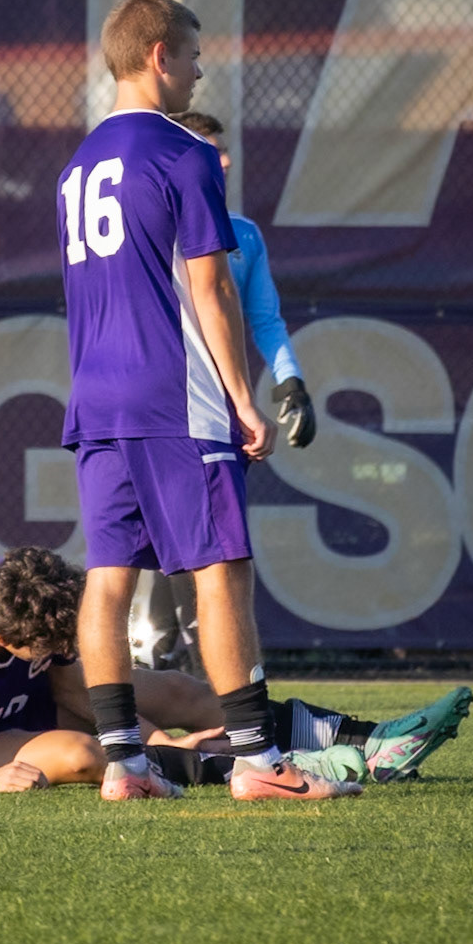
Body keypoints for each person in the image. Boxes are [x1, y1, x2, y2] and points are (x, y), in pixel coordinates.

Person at [55, 0, 361, 802]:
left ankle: (124, 765)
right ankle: (260, 762)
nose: (198, 71)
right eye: (192, 55)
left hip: (96, 398)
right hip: (173, 395)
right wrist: (242, 399)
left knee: (108, 579)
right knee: (223, 571)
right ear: (159, 56)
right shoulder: (182, 154)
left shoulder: (76, 168)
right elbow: (212, 289)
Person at [0, 547, 473, 793]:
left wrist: (158, 738)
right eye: (56, 645)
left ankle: (369, 740)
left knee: (184, 691)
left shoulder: (23, 589)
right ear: (19, 644)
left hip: (20, 697)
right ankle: (288, 766)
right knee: (80, 755)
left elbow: (77, 685)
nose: (68, 648)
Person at [131, 108, 314, 675]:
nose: (226, 160)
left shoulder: (245, 235)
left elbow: (265, 318)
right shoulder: (151, 225)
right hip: (167, 404)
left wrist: (290, 381)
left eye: (224, 150)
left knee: (212, 543)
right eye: (212, 150)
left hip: (225, 410)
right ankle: (169, 660)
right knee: (173, 539)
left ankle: (200, 678)